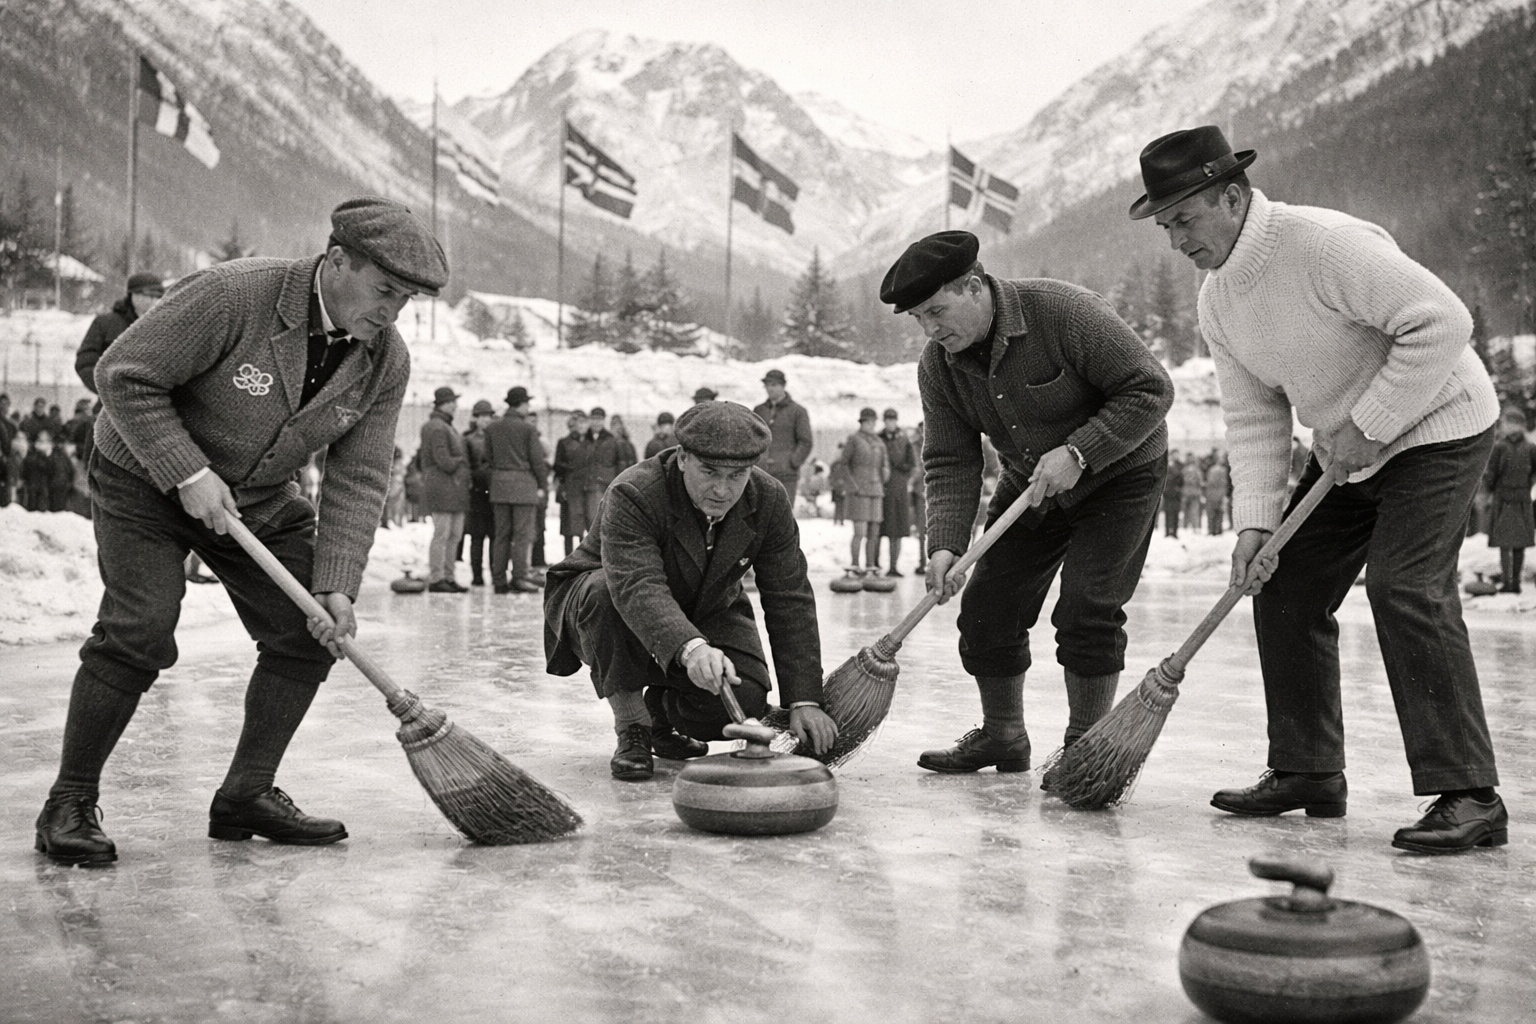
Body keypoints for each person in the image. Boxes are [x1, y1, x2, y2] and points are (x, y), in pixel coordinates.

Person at [33, 195, 446, 866]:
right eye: (385, 291)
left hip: (256, 495)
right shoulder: (236, 295)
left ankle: (246, 794)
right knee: (141, 628)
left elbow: (360, 476)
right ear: (337, 261)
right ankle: (69, 801)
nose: (392, 312)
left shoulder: (383, 360)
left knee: (310, 629)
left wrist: (337, 584)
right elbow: (123, 375)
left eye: (406, 300)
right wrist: (186, 471)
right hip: (142, 475)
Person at [1133, 124, 1506, 852]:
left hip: (1438, 425)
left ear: (1232, 198)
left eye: (1183, 219)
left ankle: (1471, 794)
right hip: (1347, 447)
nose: (1175, 240)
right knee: (1286, 584)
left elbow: (1443, 321)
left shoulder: (1324, 245)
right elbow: (1254, 418)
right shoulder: (1217, 301)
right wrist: (1254, 525)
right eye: (1164, 226)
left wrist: (1372, 422)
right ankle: (1308, 770)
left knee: (1405, 586)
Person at [881, 229, 1173, 772]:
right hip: (1031, 482)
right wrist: (945, 544)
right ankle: (1004, 736)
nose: (930, 329)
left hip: (1120, 473)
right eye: (918, 318)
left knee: (1086, 609)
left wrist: (1081, 452)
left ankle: (1085, 749)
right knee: (987, 609)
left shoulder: (1065, 312)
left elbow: (1150, 389)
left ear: (974, 286)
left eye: (937, 311)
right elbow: (950, 460)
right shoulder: (938, 366)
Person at [543, 401, 838, 780]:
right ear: (683, 458)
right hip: (607, 602)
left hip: (704, 604)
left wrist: (804, 699)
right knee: (603, 592)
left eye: (737, 475)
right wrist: (691, 648)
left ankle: (661, 711)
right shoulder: (634, 491)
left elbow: (789, 596)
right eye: (709, 472)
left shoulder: (769, 499)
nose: (722, 489)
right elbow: (637, 585)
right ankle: (632, 726)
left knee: (744, 698)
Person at [485, 386, 547, 594]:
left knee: (501, 535)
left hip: (499, 486)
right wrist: (543, 484)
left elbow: (489, 457)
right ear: (520, 404)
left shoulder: (492, 428)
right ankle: (519, 577)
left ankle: (498, 580)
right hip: (523, 487)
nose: (528, 407)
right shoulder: (528, 429)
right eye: (527, 403)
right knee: (521, 535)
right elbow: (537, 461)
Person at [76, 272, 165, 393]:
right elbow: (85, 362)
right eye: (148, 295)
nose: (153, 301)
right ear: (133, 295)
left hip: (157, 399)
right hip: (112, 399)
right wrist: (109, 389)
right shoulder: (105, 323)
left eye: (158, 297)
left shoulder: (164, 327)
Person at [419, 386, 471, 593]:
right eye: (452, 402)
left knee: (453, 535)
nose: (456, 406)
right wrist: (460, 460)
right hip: (444, 487)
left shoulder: (443, 425)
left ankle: (448, 576)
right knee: (443, 535)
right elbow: (444, 461)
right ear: (444, 404)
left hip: (451, 489)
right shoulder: (438, 427)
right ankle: (437, 577)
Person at [1485, 406, 1534, 594]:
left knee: (1519, 544)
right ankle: (1507, 582)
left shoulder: (1530, 448)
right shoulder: (1499, 447)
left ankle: (1516, 583)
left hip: (1521, 499)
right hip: (1503, 498)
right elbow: (1491, 473)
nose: (1504, 427)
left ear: (1518, 425)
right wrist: (1489, 492)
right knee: (1504, 544)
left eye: (1507, 423)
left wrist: (1528, 485)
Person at [835, 408, 889, 570]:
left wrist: (884, 475)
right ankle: (855, 565)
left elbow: (884, 463)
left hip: (876, 489)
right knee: (860, 531)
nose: (871, 425)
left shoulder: (879, 442)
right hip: (859, 491)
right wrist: (853, 485)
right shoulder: (854, 439)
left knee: (874, 532)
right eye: (867, 422)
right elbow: (843, 464)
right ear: (862, 423)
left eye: (873, 422)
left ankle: (870, 565)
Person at [752, 368, 813, 504]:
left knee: (783, 511)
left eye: (773, 385)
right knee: (759, 511)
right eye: (767, 385)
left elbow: (806, 441)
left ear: (783, 386)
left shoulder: (798, 411)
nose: (769, 388)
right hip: (760, 472)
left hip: (786, 475)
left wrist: (792, 462)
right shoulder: (759, 410)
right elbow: (752, 438)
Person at [462, 399, 497, 586]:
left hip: (494, 492)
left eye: (488, 416)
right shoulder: (468, 439)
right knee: (477, 537)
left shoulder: (498, 437)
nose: (485, 420)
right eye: (482, 416)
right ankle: (476, 575)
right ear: (475, 418)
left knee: (494, 536)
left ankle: (494, 573)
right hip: (476, 492)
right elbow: (466, 465)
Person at [877, 409, 916, 575]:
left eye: (892, 420)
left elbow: (912, 464)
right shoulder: (878, 438)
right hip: (882, 488)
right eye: (887, 420)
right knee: (878, 530)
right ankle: (875, 565)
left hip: (899, 489)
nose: (890, 423)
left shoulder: (903, 439)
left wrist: (901, 471)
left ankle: (893, 566)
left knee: (897, 530)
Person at [554, 411, 591, 554]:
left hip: (587, 488)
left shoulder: (590, 443)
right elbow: (557, 465)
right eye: (579, 422)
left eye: (584, 422)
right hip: (569, 487)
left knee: (586, 525)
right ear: (572, 425)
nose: (582, 426)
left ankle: (584, 557)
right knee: (568, 527)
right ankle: (568, 557)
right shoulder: (564, 443)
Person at [910, 422, 928, 573]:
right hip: (920, 492)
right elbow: (915, 468)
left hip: (935, 491)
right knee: (921, 530)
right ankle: (922, 561)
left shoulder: (938, 442)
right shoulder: (914, 445)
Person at [1204, 453, 1230, 535]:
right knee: (1219, 513)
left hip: (1211, 494)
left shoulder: (1211, 470)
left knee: (1211, 513)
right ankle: (1218, 529)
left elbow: (1209, 482)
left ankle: (1211, 530)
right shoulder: (1224, 470)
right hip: (1220, 493)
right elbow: (1225, 482)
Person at [1163, 450, 1184, 537]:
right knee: (1168, 513)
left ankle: (1174, 532)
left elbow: (1182, 480)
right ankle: (1168, 532)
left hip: (1175, 493)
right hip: (1169, 493)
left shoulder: (1180, 465)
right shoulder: (1167, 465)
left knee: (1175, 513)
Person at [828, 444, 850, 525]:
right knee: (840, 504)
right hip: (839, 486)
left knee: (839, 504)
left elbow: (831, 476)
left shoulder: (835, 464)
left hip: (839, 486)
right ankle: (839, 520)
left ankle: (838, 519)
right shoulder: (840, 464)